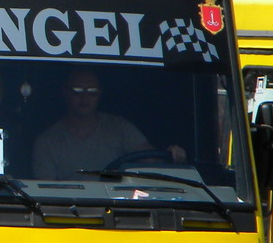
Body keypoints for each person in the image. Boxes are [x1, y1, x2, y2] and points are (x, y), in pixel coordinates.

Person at [32, 68, 184, 179]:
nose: (85, 97)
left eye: (92, 91)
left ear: (100, 93)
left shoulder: (119, 127)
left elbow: (152, 160)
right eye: (77, 91)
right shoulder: (47, 142)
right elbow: (44, 192)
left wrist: (173, 155)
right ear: (65, 92)